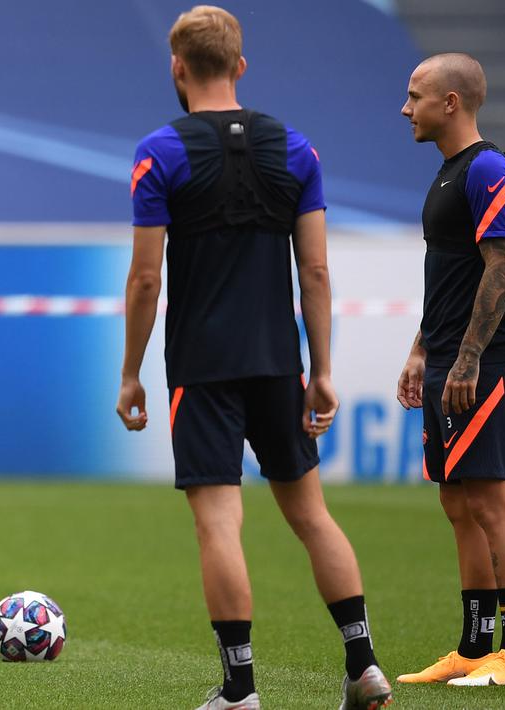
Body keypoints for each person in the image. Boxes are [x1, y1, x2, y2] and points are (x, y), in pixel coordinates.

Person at [116, 6, 392, 709]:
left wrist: (129, 372)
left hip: (203, 368)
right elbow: (316, 272)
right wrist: (321, 369)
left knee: (218, 522)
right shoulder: (296, 150)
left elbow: (146, 277)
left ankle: (239, 689)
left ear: (176, 67)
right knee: (311, 516)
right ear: (240, 66)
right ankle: (363, 666)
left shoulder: (159, 152)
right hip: (279, 363)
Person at [394, 52, 505, 687]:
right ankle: (476, 646)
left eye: (416, 96)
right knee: (456, 501)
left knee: (490, 500)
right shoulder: (450, 173)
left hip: (484, 360)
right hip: (447, 359)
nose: (406, 108)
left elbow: (500, 266)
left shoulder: (488, 170)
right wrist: (423, 348)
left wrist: (469, 357)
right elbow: (450, 276)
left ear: (451, 102)